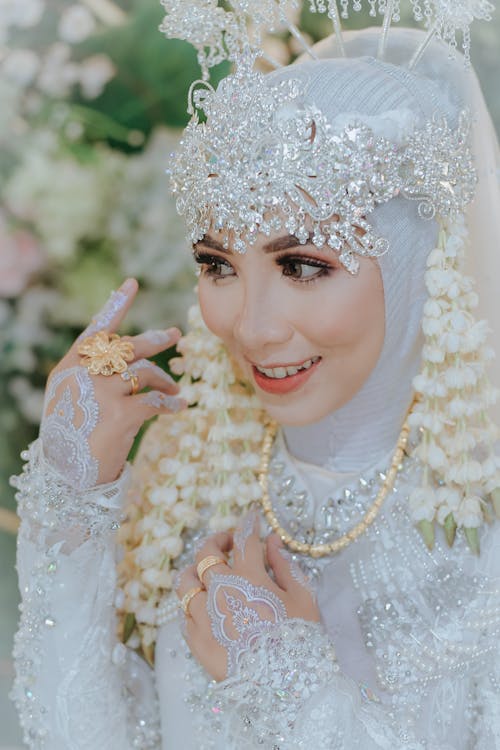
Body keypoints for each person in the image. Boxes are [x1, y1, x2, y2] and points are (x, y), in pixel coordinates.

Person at [10, 3, 500, 748]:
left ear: (419, 268)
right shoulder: (191, 475)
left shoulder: (480, 525)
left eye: (304, 265)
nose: (251, 324)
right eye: (218, 266)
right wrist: (72, 507)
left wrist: (290, 692)